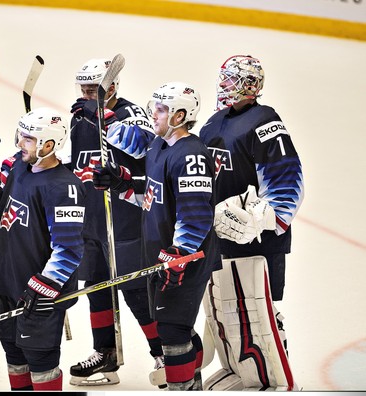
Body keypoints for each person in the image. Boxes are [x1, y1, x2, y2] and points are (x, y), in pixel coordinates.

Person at [93, 82, 219, 390]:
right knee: (174, 327)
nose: (154, 114)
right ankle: (194, 381)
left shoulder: (191, 155)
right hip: (161, 256)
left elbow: (196, 215)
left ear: (179, 116)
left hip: (183, 259)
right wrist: (123, 184)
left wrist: (179, 255)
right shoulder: (158, 147)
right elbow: (153, 196)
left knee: (173, 330)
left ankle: (183, 388)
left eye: (161, 110)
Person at [198, 55, 304, 390]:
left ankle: (276, 376)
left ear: (251, 85)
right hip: (220, 235)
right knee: (225, 308)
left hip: (258, 241)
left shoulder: (265, 121)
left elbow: (287, 179)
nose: (225, 86)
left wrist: (263, 218)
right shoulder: (212, 123)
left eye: (233, 80)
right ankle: (241, 371)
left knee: (262, 312)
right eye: (224, 78)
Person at [0, 107, 86, 391]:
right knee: (14, 356)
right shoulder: (20, 168)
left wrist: (43, 285)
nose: (20, 143)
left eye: (28, 139)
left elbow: (69, 249)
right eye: (21, 135)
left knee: (41, 362)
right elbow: (7, 210)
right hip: (10, 286)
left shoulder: (64, 188)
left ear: (49, 145)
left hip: (39, 296)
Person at [67, 57, 163, 387]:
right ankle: (105, 354)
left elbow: (148, 149)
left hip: (124, 218)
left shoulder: (129, 112)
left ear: (111, 88)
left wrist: (106, 121)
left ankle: (162, 352)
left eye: (94, 89)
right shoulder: (79, 118)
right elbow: (74, 162)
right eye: (84, 89)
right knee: (95, 287)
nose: (87, 95)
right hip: (91, 219)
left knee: (135, 288)